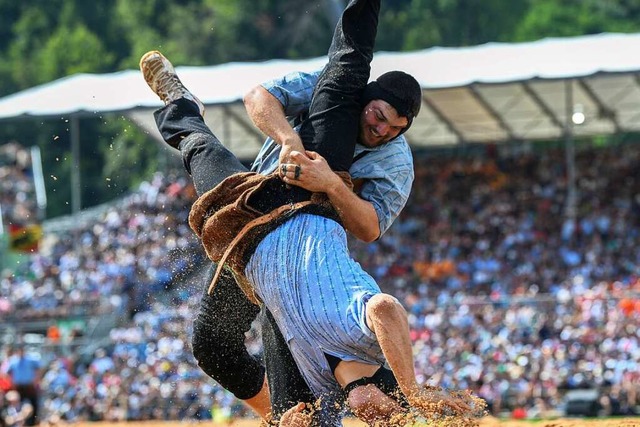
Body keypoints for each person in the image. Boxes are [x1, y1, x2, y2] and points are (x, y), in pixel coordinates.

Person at [140, 0, 476, 424]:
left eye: (396, 129)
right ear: (369, 101)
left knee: (210, 151)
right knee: (212, 345)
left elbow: (370, 227)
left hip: (293, 231)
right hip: (263, 195)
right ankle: (184, 108)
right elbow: (258, 97)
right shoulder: (338, 97)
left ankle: (280, 418)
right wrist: (289, 142)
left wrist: (330, 183)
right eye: (379, 117)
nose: (382, 131)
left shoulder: (395, 162)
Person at [3, 347, 40, 426]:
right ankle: (19, 422)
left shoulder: (30, 360)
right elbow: (5, 373)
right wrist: (12, 382)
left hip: (29, 386)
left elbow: (38, 368)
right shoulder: (13, 361)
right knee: (19, 405)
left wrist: (36, 380)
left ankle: (32, 423)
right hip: (18, 387)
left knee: (34, 404)